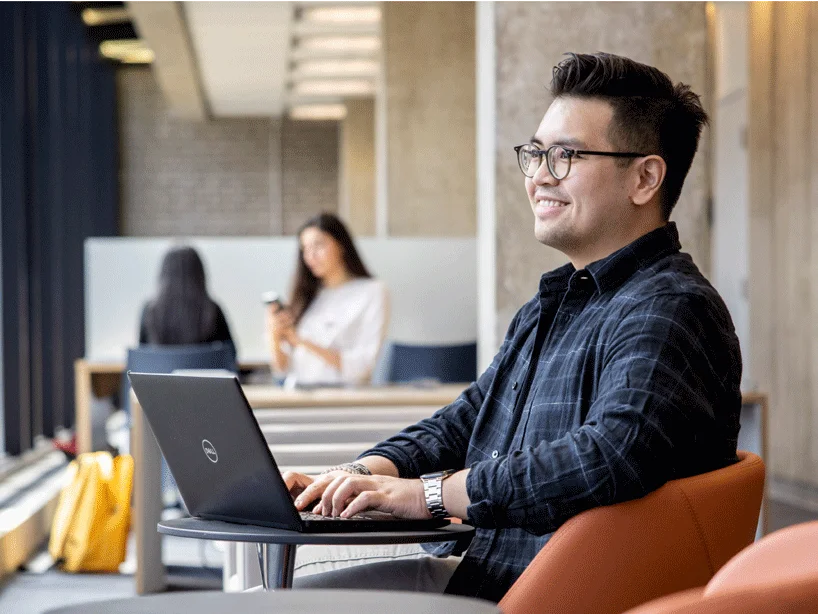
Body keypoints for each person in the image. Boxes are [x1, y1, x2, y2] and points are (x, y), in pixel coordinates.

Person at [281, 52, 743, 602]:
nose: (540, 176)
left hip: (554, 597)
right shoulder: (550, 306)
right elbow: (467, 420)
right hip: (490, 579)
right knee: (284, 599)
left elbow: (610, 454)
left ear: (644, 177)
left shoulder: (669, 305)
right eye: (536, 153)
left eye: (566, 155)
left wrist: (428, 494)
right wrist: (357, 473)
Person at [266, 213, 389, 387]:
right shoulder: (307, 296)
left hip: (342, 398)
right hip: (296, 395)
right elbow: (281, 369)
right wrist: (275, 335)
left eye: (318, 245)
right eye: (305, 249)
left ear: (341, 245)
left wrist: (302, 341)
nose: (311, 256)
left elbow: (362, 367)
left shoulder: (372, 291)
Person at [139, 245, 234, 351]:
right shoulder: (212, 309)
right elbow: (231, 354)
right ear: (200, 273)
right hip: (202, 367)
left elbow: (142, 356)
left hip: (160, 367)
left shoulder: (149, 311)